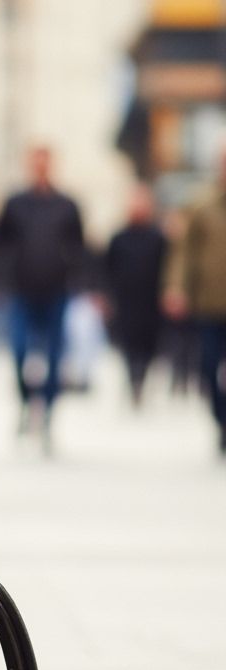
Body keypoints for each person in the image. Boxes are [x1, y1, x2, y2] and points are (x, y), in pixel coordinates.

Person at [0, 146, 85, 439]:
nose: (40, 167)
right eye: (36, 162)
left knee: (55, 356)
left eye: (45, 162)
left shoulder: (67, 205)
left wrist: (82, 282)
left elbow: (80, 248)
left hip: (57, 291)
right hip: (21, 291)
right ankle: (24, 402)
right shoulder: (15, 203)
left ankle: (47, 411)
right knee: (19, 350)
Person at [164, 148, 226, 455]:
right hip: (209, 303)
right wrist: (176, 287)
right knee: (208, 367)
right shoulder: (202, 206)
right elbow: (184, 253)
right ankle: (220, 418)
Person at [104, 184, 167, 407]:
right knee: (128, 344)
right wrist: (106, 296)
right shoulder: (119, 237)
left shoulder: (158, 237)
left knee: (148, 344)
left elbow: (166, 268)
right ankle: (133, 380)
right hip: (126, 299)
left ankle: (141, 378)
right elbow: (108, 268)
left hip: (150, 299)